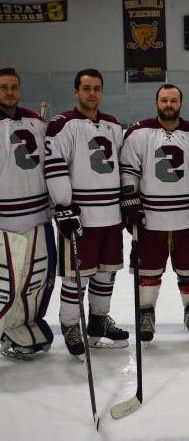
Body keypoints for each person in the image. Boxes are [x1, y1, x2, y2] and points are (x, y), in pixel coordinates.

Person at [44, 68, 128, 357]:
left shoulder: (114, 125)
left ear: (101, 92)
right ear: (76, 92)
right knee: (76, 277)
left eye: (96, 88)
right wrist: (63, 206)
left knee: (106, 273)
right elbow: (54, 165)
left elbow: (121, 166)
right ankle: (69, 324)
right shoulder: (63, 125)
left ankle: (98, 321)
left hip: (111, 214)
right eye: (86, 88)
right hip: (81, 215)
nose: (92, 93)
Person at [120, 84, 189, 343]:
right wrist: (130, 199)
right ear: (155, 103)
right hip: (150, 217)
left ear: (181, 103)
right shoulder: (138, 133)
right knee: (148, 272)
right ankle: (146, 314)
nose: (168, 104)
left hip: (188, 216)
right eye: (164, 100)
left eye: (173, 100)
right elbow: (129, 169)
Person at [0, 67, 56, 359]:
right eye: (3, 87)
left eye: (13, 87)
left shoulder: (36, 121)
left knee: (35, 282)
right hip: (4, 221)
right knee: (5, 286)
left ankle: (20, 327)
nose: (9, 92)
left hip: (37, 217)